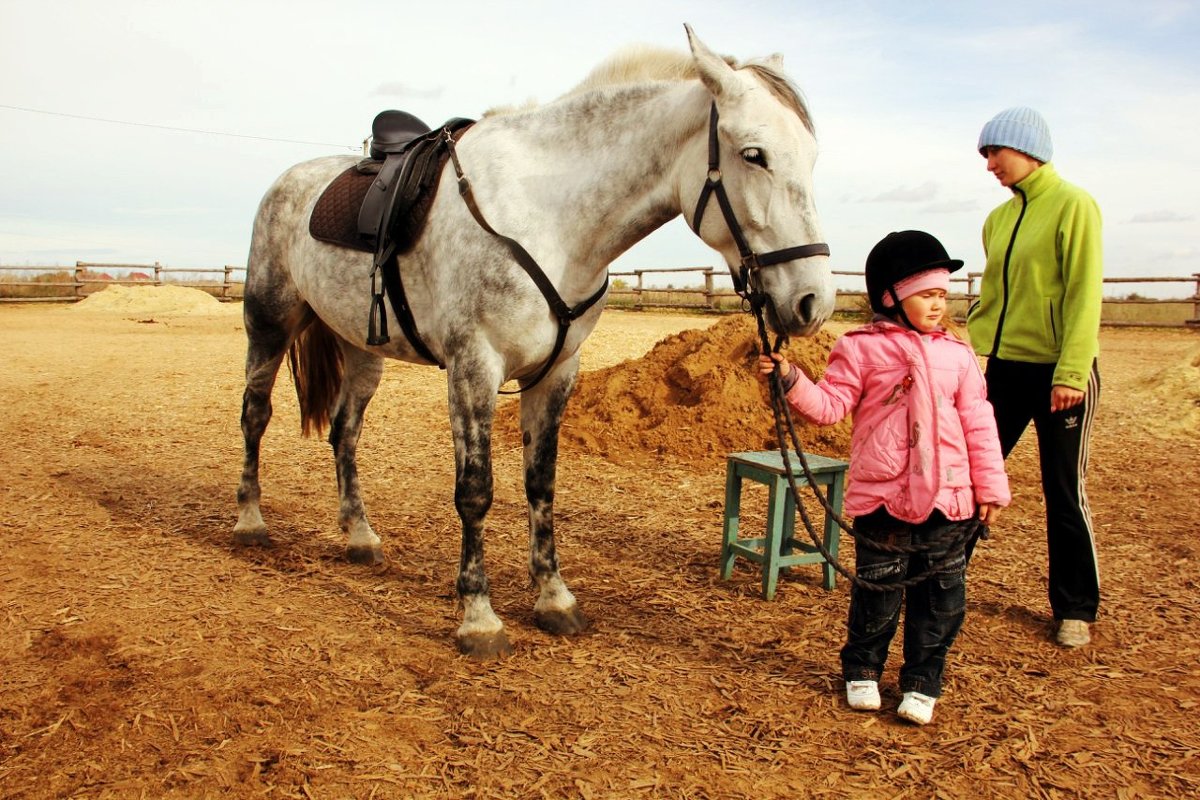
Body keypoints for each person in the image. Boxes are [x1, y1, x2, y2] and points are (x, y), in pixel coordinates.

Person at [757, 230, 1010, 725]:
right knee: (877, 592)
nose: (939, 303)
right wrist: (790, 380)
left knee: (941, 599)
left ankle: (922, 679)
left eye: (943, 293)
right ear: (891, 296)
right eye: (927, 294)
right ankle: (862, 670)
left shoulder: (957, 355)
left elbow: (980, 423)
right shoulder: (860, 350)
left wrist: (991, 486)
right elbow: (830, 408)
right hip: (883, 500)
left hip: (949, 500)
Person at [969, 107, 1103, 648]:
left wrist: (1070, 371)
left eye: (994, 153)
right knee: (972, 477)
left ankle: (1076, 607)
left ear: (1025, 148)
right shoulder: (998, 220)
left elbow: (1083, 294)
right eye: (984, 156)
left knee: (1063, 490)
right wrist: (968, 350)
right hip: (1005, 369)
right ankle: (938, 578)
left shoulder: (1075, 206)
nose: (989, 166)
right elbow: (995, 298)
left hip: (1060, 374)